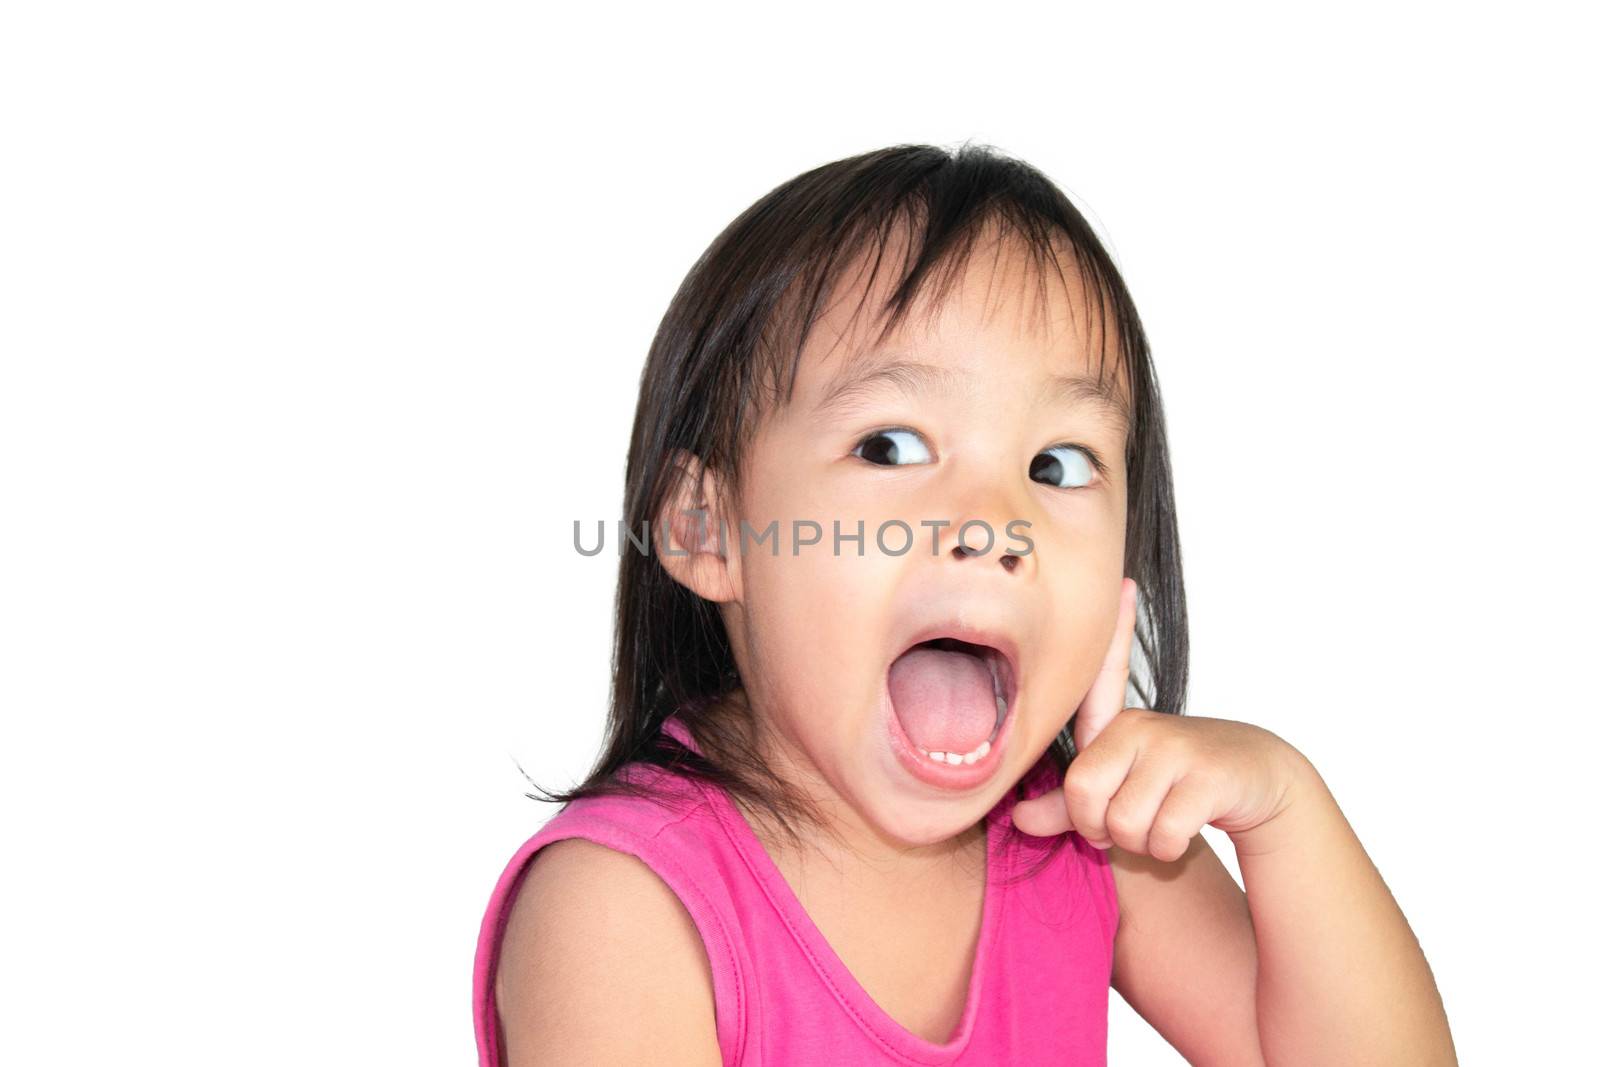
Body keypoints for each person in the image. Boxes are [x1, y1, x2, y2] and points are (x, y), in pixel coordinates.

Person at [472, 142, 1457, 1065]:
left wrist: (1284, 808)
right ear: (706, 527)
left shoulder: (1081, 835)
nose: (993, 523)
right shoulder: (622, 902)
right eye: (890, 446)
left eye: (1055, 464)